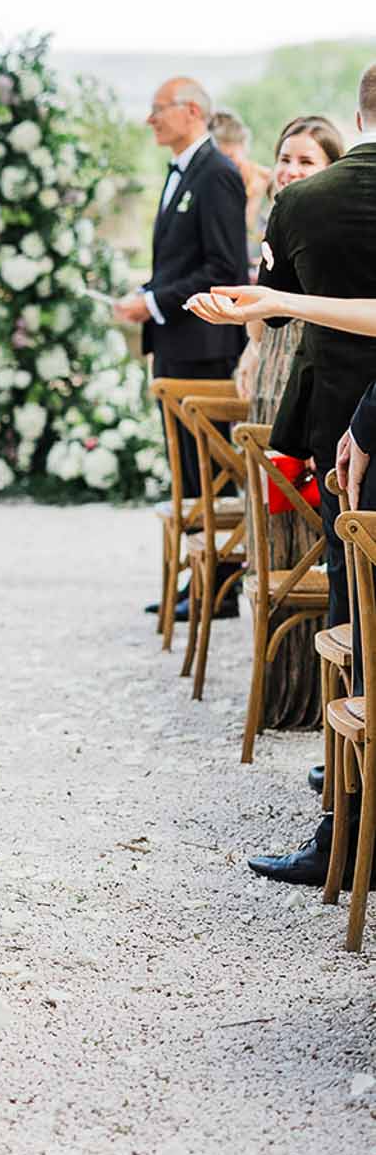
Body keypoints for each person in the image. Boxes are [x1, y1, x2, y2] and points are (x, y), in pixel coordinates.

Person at [190, 61, 376, 886]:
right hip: (358, 430)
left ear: (360, 115)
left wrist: (270, 304)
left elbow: (277, 311)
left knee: (358, 625)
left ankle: (347, 826)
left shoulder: (306, 203)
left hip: (349, 438)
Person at [230, 118, 346, 724]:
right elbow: (259, 317)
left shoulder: (329, 224)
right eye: (285, 158)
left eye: (306, 161)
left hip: (308, 369)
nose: (291, 170)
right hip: (271, 370)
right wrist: (249, 351)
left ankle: (316, 690)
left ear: (330, 169)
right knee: (272, 524)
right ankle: (278, 686)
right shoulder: (278, 218)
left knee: (307, 526)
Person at [113, 76, 249, 504]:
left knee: (208, 473)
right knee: (185, 473)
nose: (149, 119)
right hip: (175, 342)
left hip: (204, 345)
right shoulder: (182, 171)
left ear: (191, 111)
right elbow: (181, 262)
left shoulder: (217, 173)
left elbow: (223, 268)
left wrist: (153, 302)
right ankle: (195, 547)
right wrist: (145, 292)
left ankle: (212, 550)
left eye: (158, 109)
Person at [209, 108, 270, 267]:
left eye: (231, 157)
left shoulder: (268, 181)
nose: (226, 165)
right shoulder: (214, 190)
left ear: (243, 146)